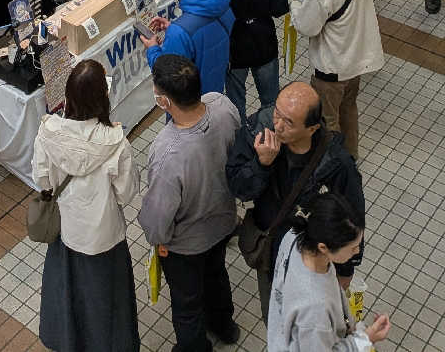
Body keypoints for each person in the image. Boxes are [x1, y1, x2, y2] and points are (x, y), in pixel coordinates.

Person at [226, 80, 365, 322]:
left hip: (313, 257)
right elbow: (238, 187)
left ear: (311, 128)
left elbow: (353, 218)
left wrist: (346, 269)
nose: (277, 125)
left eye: (288, 122)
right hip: (271, 248)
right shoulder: (260, 128)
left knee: (310, 319)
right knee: (275, 316)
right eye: (277, 112)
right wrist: (261, 165)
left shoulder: (335, 164)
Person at [32, 58, 140, 352]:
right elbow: (126, 193)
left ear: (68, 97)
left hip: (67, 235)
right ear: (102, 98)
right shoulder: (116, 143)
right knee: (109, 310)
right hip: (106, 238)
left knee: (71, 303)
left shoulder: (47, 134)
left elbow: (42, 182)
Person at [139, 55, 240, 352]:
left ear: (165, 101)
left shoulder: (167, 152)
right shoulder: (221, 106)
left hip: (185, 244)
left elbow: (158, 213)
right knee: (217, 275)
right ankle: (225, 326)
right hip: (222, 222)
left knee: (187, 304)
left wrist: (158, 241)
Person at [289, 0, 384, 159]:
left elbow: (307, 26)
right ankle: (350, 159)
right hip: (356, 61)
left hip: (331, 68)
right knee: (349, 112)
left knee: (327, 123)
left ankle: (333, 169)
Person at [268, 192, 390, 352]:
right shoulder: (315, 310)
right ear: (323, 247)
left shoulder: (295, 236)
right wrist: (366, 339)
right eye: (352, 247)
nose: (357, 251)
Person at [141, 0, 234, 95]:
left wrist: (153, 48)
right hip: (216, 91)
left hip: (189, 106)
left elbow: (167, 78)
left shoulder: (180, 33)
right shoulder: (223, 6)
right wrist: (176, 27)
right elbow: (205, 40)